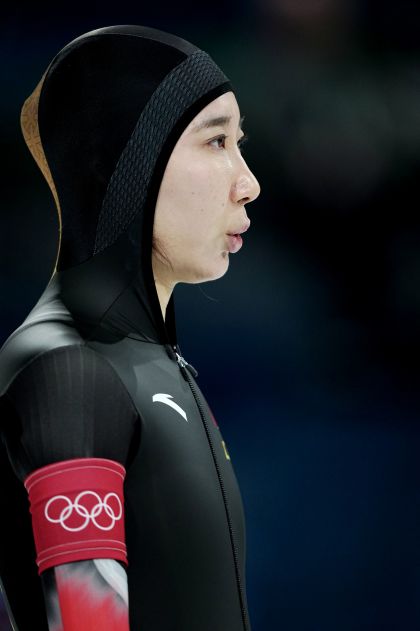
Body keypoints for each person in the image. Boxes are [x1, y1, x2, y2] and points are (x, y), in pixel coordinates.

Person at [0, 24, 260, 631]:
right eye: (216, 141)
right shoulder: (68, 371)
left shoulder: (148, 362)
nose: (248, 184)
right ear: (124, 160)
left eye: (239, 143)